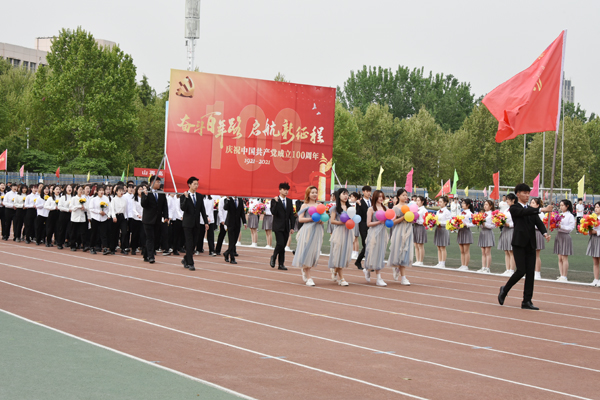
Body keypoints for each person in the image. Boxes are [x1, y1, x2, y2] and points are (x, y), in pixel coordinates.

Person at [499, 183, 552, 310]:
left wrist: (545, 233)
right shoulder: (514, 208)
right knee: (521, 270)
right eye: (524, 193)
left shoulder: (531, 209)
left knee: (530, 272)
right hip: (519, 243)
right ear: (518, 194)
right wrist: (542, 209)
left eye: (528, 193)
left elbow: (538, 222)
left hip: (531, 243)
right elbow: (524, 212)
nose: (527, 195)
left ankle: (527, 301)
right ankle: (505, 289)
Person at [292, 186, 325, 286]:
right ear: (308, 194)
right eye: (312, 192)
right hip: (307, 231)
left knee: (313, 253)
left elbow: (323, 218)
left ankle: (305, 269)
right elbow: (300, 219)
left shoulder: (319, 205)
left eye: (316, 192)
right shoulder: (304, 205)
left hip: (317, 230)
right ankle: (309, 277)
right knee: (307, 252)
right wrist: (311, 219)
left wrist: (321, 221)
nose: (314, 194)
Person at [180, 176, 209, 271]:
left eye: (197, 184)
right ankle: (191, 263)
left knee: (194, 243)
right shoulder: (184, 196)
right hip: (187, 224)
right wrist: (186, 198)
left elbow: (202, 210)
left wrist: (206, 222)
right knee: (189, 243)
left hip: (197, 223)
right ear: (189, 185)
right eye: (194, 184)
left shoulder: (200, 196)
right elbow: (183, 208)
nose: (196, 186)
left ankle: (186, 259)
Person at [363, 190, 389, 286]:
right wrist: (379, 222)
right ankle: (370, 271)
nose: (381, 198)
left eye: (382, 196)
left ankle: (376, 276)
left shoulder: (385, 208)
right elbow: (368, 223)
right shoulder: (371, 209)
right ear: (375, 197)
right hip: (374, 233)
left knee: (380, 254)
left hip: (382, 233)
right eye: (379, 196)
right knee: (372, 253)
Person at [328, 188, 353, 286]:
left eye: (347, 194)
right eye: (344, 194)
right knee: (338, 253)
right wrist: (342, 223)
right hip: (339, 233)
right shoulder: (335, 208)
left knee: (344, 254)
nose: (346, 196)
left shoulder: (350, 208)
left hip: (348, 233)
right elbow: (332, 221)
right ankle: (342, 279)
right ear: (339, 195)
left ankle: (335, 271)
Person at [387, 189, 413, 285]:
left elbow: (412, 219)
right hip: (399, 231)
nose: (405, 197)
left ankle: (401, 273)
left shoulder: (409, 207)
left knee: (405, 252)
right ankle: (402, 275)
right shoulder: (395, 208)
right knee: (399, 251)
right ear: (398, 196)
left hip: (408, 230)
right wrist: (403, 217)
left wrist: (411, 218)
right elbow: (393, 222)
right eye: (403, 195)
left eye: (406, 195)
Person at [141, 177, 169, 263]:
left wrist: (166, 216)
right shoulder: (146, 192)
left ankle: (146, 254)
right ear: (152, 182)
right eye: (157, 182)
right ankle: (151, 256)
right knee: (150, 237)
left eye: (159, 182)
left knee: (155, 238)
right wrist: (145, 195)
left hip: (157, 219)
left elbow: (164, 206)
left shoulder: (161, 193)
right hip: (148, 219)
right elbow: (143, 204)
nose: (159, 183)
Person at [270, 182, 294, 270]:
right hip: (278, 226)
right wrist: (276, 202)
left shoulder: (289, 201)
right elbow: (273, 212)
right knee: (280, 243)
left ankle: (281, 264)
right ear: (280, 190)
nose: (286, 191)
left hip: (286, 227)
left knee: (283, 246)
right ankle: (274, 256)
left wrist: (292, 227)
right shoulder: (274, 200)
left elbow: (291, 215)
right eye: (284, 190)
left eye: (287, 190)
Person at [554, 199, 575, 282]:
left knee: (564, 258)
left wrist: (561, 227)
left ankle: (564, 276)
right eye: (560, 205)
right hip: (559, 236)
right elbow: (557, 226)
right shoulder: (559, 215)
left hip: (565, 236)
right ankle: (561, 275)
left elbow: (570, 228)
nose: (561, 207)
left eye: (563, 205)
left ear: (567, 206)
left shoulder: (570, 216)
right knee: (559, 258)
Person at [223, 196, 246, 264]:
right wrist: (228, 199)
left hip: (237, 224)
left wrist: (244, 222)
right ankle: (232, 258)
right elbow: (225, 208)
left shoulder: (240, 200)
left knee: (234, 241)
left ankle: (226, 253)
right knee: (231, 241)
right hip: (230, 223)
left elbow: (242, 212)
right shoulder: (228, 199)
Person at [88, 184, 111, 255]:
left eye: (102, 190)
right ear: (97, 191)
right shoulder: (93, 199)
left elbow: (108, 208)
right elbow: (91, 208)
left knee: (103, 233)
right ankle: (92, 247)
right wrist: (99, 212)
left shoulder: (106, 199)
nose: (101, 192)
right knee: (94, 233)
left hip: (103, 218)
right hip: (95, 218)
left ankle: (105, 247)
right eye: (100, 190)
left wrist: (105, 213)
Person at [498, 193, 517, 276]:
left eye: (509, 200)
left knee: (511, 251)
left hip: (512, 230)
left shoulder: (516, 209)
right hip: (505, 230)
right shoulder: (506, 210)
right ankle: (507, 269)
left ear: (513, 200)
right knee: (506, 250)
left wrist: (509, 225)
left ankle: (512, 270)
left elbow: (518, 222)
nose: (507, 201)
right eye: (507, 200)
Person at [355, 185, 372, 270]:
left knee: (371, 245)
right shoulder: (359, 202)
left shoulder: (372, 201)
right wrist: (358, 205)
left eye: (370, 191)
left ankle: (360, 261)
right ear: (363, 192)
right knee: (366, 245)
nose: (369, 193)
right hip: (363, 225)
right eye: (367, 191)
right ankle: (360, 262)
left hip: (371, 226)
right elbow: (358, 214)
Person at [109, 185, 129, 255]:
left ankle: (123, 248)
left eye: (122, 191)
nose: (121, 192)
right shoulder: (114, 199)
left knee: (124, 232)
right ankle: (112, 248)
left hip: (122, 217)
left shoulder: (124, 200)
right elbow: (112, 209)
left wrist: (126, 217)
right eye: (120, 191)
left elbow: (126, 209)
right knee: (114, 233)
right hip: (116, 216)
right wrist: (113, 216)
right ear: (116, 192)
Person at [477, 200, 496, 273]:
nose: (485, 206)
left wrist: (485, 225)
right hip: (482, 232)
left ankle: (488, 268)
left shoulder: (492, 214)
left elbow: (493, 226)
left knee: (487, 252)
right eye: (484, 204)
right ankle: (483, 267)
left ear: (491, 206)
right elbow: (480, 224)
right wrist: (479, 223)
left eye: (487, 205)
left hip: (488, 232)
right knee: (483, 252)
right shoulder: (483, 214)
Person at [69, 185, 89, 252]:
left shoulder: (84, 199)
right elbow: (71, 207)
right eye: (80, 189)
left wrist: (84, 208)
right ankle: (73, 245)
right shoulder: (73, 198)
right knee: (74, 232)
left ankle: (84, 245)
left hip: (82, 218)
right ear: (77, 190)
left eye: (82, 190)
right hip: (75, 218)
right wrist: (78, 206)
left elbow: (87, 207)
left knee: (83, 232)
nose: (81, 191)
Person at [530, 197, 546, 280]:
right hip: (530, 233)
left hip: (537, 233)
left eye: (533, 203)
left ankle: (537, 273)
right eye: (531, 202)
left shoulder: (540, 214)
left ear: (538, 205)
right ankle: (531, 272)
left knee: (536, 255)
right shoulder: (529, 212)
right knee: (530, 254)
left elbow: (540, 225)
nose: (531, 204)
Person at [457, 199, 474, 271]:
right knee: (461, 251)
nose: (462, 204)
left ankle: (466, 266)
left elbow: (473, 223)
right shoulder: (461, 213)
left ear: (468, 205)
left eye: (464, 203)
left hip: (466, 231)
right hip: (460, 231)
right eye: (462, 203)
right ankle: (462, 265)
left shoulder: (470, 214)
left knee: (466, 250)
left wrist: (466, 224)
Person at [434, 196, 451, 268]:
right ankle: (439, 262)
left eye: (441, 202)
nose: (439, 203)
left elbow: (449, 221)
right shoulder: (438, 211)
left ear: (445, 203)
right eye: (439, 201)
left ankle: (443, 263)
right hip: (438, 229)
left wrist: (440, 223)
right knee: (438, 246)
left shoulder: (447, 212)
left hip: (444, 229)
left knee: (442, 247)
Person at [586, 202, 600, 286]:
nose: (596, 209)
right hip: (593, 239)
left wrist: (597, 232)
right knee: (595, 261)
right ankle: (596, 279)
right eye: (595, 207)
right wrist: (589, 231)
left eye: (598, 207)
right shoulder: (592, 217)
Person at [412, 196, 428, 266]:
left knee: (420, 245)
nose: (417, 202)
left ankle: (421, 261)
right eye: (416, 200)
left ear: (422, 202)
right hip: (415, 227)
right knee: (415, 244)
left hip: (421, 227)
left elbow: (425, 220)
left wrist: (417, 221)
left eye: (418, 200)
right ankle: (417, 260)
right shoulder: (416, 209)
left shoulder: (424, 210)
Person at [56, 184, 73, 250]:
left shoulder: (73, 197)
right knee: (62, 229)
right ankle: (60, 243)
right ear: (65, 189)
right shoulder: (62, 197)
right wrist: (67, 209)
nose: (69, 188)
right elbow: (59, 207)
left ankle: (70, 243)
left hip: (71, 214)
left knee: (70, 229)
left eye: (70, 187)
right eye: (68, 187)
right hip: (63, 214)